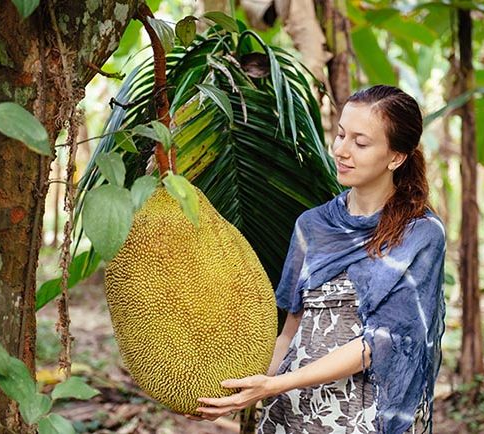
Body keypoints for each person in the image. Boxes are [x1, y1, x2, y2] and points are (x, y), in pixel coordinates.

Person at [187, 85, 446, 433]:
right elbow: (290, 333)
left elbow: (380, 343)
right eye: (340, 135)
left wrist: (277, 384)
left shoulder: (421, 234)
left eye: (361, 142)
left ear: (396, 157)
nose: (341, 151)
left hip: (362, 415)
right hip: (291, 410)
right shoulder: (313, 225)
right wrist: (237, 391)